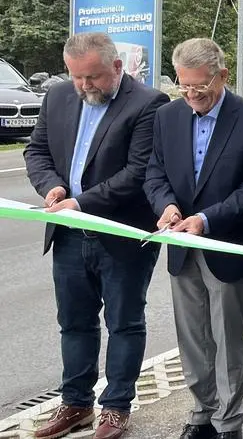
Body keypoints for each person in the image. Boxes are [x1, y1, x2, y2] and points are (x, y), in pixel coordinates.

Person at [23, 32, 169, 439]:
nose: (85, 85)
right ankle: (76, 404)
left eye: (94, 77)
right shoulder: (57, 98)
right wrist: (51, 187)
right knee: (74, 322)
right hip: (68, 234)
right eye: (77, 77)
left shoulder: (148, 103)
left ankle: (116, 407)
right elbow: (36, 152)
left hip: (121, 235)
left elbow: (139, 172)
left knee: (123, 322)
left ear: (117, 67)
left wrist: (81, 202)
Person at [143, 38, 243, 439]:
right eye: (185, 86)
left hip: (227, 247)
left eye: (201, 87)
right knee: (193, 337)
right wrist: (166, 206)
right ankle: (201, 413)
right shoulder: (167, 117)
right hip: (181, 245)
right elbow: (154, 173)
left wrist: (204, 219)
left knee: (229, 340)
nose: (192, 95)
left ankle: (228, 422)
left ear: (223, 75)